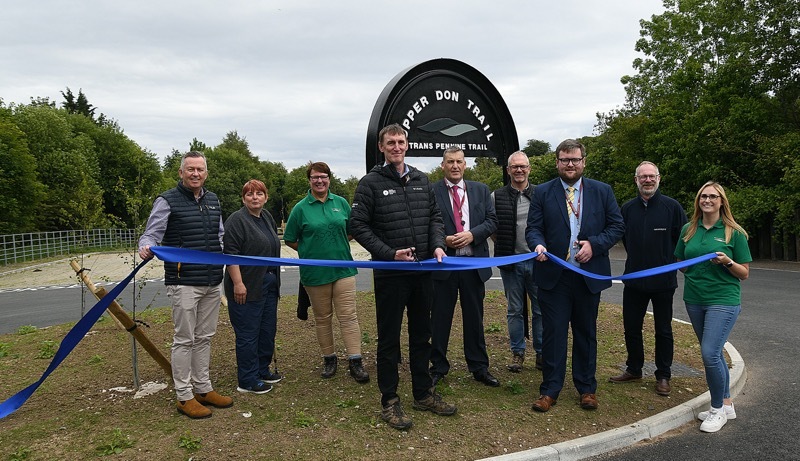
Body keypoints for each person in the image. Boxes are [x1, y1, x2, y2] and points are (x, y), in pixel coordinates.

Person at [350, 123, 455, 430]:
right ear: (382, 147)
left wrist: (437, 245)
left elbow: (435, 217)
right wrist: (388, 253)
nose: (396, 147)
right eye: (390, 142)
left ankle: (423, 394)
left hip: (422, 272)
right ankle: (390, 401)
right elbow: (358, 226)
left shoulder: (422, 179)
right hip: (391, 274)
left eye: (401, 142)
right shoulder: (369, 183)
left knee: (422, 335)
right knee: (389, 340)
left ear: (407, 145)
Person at [526, 139, 624, 413]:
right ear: (557, 162)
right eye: (565, 159)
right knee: (554, 334)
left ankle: (586, 389)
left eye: (575, 160)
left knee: (586, 333)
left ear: (583, 162)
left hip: (587, 276)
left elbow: (617, 226)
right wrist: (538, 245)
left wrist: (594, 244)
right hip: (554, 276)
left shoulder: (602, 192)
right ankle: (550, 390)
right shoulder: (543, 192)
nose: (570, 164)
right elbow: (533, 228)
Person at [138, 151, 233, 419]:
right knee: (184, 339)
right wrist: (146, 247)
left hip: (213, 280)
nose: (195, 174)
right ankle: (184, 396)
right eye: (190, 169)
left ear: (206, 173)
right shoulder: (167, 200)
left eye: (199, 169)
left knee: (205, 337)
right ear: (181, 172)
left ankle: (203, 388)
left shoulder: (213, 200)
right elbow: (151, 234)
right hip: (184, 282)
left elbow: (220, 235)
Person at [675, 181, 751, 433]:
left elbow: (744, 273)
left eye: (712, 197)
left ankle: (717, 409)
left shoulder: (733, 232)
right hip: (695, 299)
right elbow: (681, 263)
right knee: (715, 354)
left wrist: (727, 261)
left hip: (724, 300)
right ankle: (726, 404)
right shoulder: (689, 229)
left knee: (709, 353)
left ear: (721, 201)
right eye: (703, 196)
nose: (707, 200)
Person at [283, 162, 369, 383]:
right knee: (323, 318)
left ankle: (355, 360)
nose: (319, 180)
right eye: (314, 177)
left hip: (343, 268)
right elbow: (291, 239)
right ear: (309, 180)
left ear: (329, 178)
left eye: (323, 176)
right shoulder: (300, 208)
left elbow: (351, 231)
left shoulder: (340, 203)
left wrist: (335, 245)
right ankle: (329, 358)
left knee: (349, 316)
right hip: (315, 274)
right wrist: (310, 250)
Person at [609, 161, 687, 396]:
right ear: (636, 180)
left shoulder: (672, 207)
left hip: (663, 282)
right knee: (631, 328)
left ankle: (663, 375)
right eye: (643, 177)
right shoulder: (627, 208)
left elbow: (684, 241)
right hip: (633, 280)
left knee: (663, 330)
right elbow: (615, 235)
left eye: (651, 176)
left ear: (659, 179)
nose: (647, 180)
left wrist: (683, 264)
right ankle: (634, 368)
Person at [429, 147, 499, 387]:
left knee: (474, 318)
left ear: (465, 165)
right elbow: (427, 224)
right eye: (450, 162)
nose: (455, 166)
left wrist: (472, 235)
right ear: (443, 166)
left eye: (459, 161)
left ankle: (479, 367)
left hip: (473, 264)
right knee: (439, 319)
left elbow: (492, 221)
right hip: (444, 266)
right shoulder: (431, 191)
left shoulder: (481, 190)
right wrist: (443, 240)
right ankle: (437, 366)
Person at [223, 179, 283, 395]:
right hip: (246, 286)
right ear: (243, 198)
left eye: (259, 193)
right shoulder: (237, 221)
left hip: (268, 283)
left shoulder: (266, 217)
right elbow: (231, 255)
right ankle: (247, 379)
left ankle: (262, 369)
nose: (254, 197)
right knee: (248, 333)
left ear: (266, 197)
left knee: (267, 330)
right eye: (249, 194)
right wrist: (238, 283)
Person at [492, 151, 543, 373]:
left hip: (538, 261)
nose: (519, 170)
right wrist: (504, 246)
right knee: (514, 309)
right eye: (515, 167)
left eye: (523, 166)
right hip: (511, 263)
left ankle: (542, 353)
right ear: (508, 170)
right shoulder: (497, 196)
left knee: (541, 309)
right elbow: (492, 226)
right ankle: (518, 352)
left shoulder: (541, 194)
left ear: (529, 169)